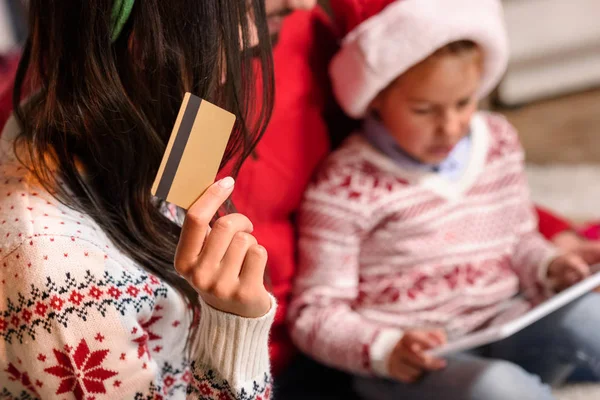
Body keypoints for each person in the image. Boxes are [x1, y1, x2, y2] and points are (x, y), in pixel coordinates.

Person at [288, 1, 600, 399]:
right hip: (413, 365)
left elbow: (519, 240)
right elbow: (313, 315)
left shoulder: (497, 141)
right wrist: (385, 349)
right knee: (496, 387)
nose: (450, 127)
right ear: (377, 96)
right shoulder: (345, 186)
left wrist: (550, 267)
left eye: (464, 103)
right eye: (424, 110)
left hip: (505, 321)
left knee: (587, 315)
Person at [0, 1, 276, 398]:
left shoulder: (88, 123)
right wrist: (234, 330)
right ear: (144, 40)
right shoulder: (54, 270)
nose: (252, 36)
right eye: (244, 10)